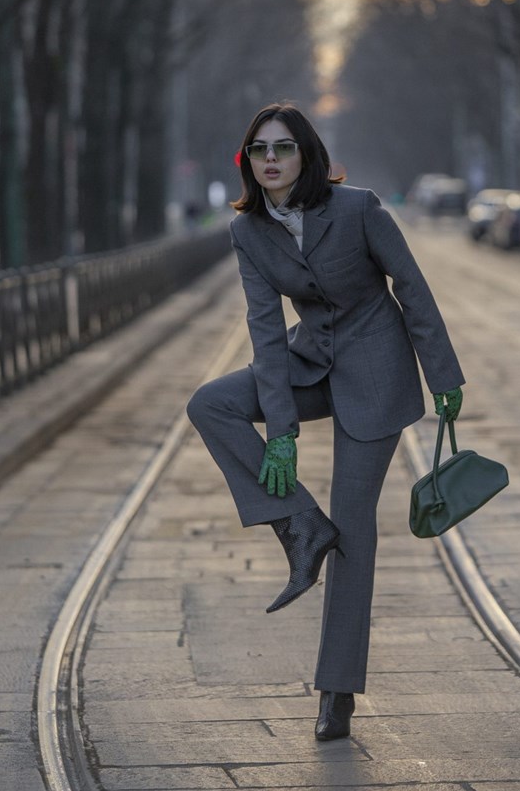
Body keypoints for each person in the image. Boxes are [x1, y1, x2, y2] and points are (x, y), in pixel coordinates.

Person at [186, 104, 464, 742]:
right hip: (309, 363)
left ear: (306, 155)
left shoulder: (359, 209)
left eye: (283, 148)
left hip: (377, 370)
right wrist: (280, 429)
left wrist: (444, 377)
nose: (272, 160)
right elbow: (264, 329)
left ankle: (336, 691)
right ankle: (301, 525)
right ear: (249, 163)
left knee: (356, 530)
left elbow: (412, 288)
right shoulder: (248, 231)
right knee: (211, 402)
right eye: (259, 151)